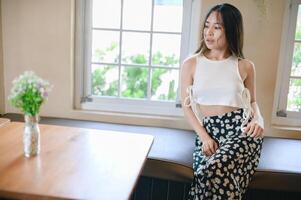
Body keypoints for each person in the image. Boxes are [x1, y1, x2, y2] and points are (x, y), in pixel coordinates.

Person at [180, 3, 264, 200]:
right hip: (209, 132)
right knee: (210, 171)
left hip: (241, 131)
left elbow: (253, 102)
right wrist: (205, 138)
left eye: (217, 27)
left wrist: (259, 120)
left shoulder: (245, 66)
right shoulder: (191, 64)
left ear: (232, 30)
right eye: (206, 25)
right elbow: (187, 107)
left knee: (213, 168)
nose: (208, 33)